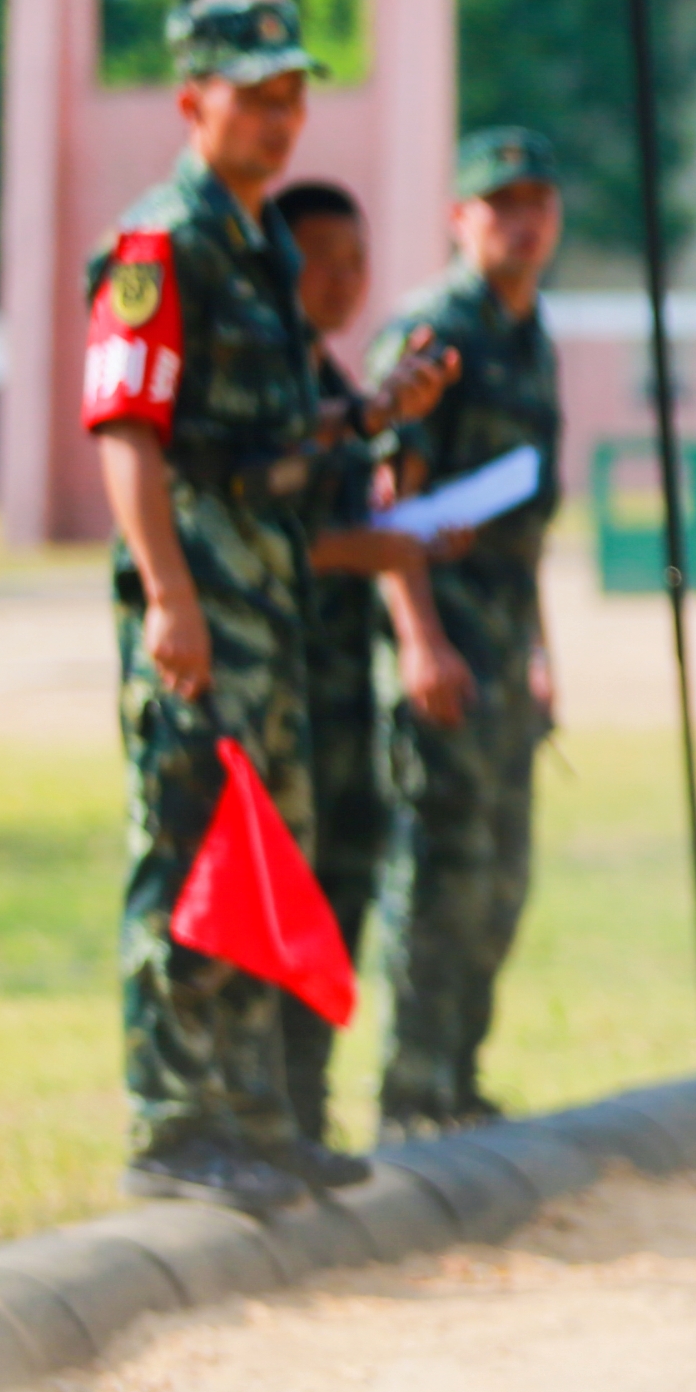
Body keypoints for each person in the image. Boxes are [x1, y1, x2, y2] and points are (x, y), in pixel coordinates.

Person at [86, 0, 451, 1213]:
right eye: (257, 95)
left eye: (294, 94)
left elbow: (286, 431)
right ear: (193, 103)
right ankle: (173, 1120)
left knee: (262, 849)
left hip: (268, 596)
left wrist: (374, 412)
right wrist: (168, 594)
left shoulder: (259, 248)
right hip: (201, 587)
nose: (282, 118)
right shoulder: (160, 246)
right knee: (190, 843)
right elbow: (130, 433)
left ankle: (254, 1114)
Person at [364, 130, 567, 1139]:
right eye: (500, 203)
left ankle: (460, 1079)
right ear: (461, 217)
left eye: (536, 201)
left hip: (499, 642)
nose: (522, 221)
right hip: (440, 641)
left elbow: (525, 520)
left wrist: (539, 653)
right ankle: (412, 1092)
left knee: (499, 875)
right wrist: (417, 640)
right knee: (439, 869)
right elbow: (385, 499)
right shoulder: (432, 331)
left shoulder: (532, 334)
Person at [274, 180, 469, 1157]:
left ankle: (304, 1113)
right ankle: (265, 1114)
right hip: (279, 696)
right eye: (320, 258)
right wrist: (393, 549)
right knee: (281, 904)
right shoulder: (272, 398)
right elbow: (273, 538)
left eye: (356, 260)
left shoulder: (338, 391)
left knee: (340, 895)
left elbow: (357, 529)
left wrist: (412, 532)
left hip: (343, 692)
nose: (345, 280)